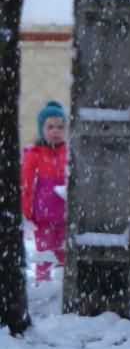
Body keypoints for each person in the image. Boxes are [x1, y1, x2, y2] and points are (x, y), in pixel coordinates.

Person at [21, 100, 68, 282]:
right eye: (50, 127)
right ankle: (43, 285)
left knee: (64, 255)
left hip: (65, 216)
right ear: (42, 129)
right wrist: (26, 212)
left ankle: (62, 291)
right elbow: (26, 184)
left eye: (60, 127)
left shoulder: (69, 152)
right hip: (43, 217)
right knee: (46, 254)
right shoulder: (34, 154)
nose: (56, 131)